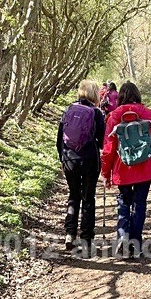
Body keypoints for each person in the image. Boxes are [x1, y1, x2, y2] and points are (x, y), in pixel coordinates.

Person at [101, 81, 151, 258]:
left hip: (122, 169)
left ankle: (122, 238)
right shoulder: (148, 114)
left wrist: (105, 174)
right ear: (138, 95)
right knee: (139, 203)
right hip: (145, 167)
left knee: (124, 203)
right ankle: (136, 243)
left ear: (120, 97)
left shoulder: (113, 117)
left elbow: (108, 149)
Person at [56, 79, 105, 256]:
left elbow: (59, 139)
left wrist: (63, 158)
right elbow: (102, 140)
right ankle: (86, 240)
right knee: (88, 198)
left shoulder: (68, 110)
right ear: (94, 94)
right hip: (90, 160)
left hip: (69, 160)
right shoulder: (96, 113)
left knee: (73, 195)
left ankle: (69, 234)